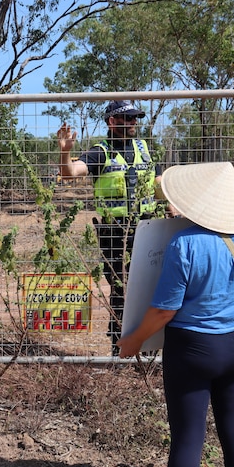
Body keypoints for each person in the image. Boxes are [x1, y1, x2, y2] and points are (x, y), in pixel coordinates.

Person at [116, 162, 234, 467]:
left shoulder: (184, 243)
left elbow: (164, 310)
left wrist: (134, 340)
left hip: (193, 350)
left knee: (188, 438)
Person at [57, 100, 162, 355]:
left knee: (150, 287)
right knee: (120, 289)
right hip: (114, 232)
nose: (133, 123)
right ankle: (121, 349)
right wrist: (65, 152)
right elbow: (71, 172)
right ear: (112, 122)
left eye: (135, 118)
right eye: (127, 119)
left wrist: (171, 207)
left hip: (146, 229)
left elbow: (159, 183)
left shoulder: (144, 148)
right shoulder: (100, 152)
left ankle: (148, 349)